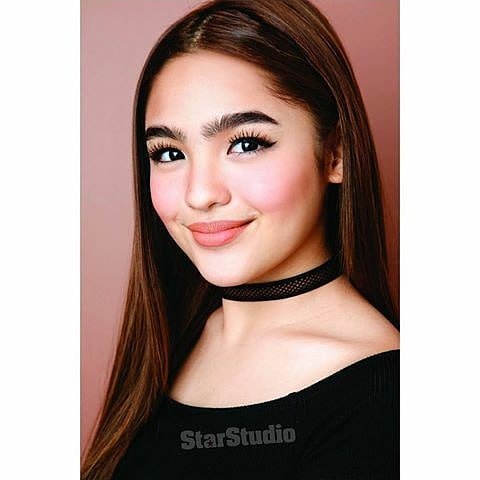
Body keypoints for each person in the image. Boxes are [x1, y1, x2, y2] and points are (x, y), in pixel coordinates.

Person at [81, 0, 400, 478]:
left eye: (246, 144)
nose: (200, 193)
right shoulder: (171, 341)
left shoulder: (384, 402)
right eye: (169, 153)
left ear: (335, 154)